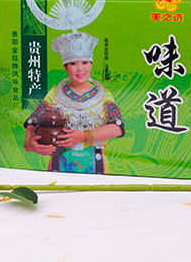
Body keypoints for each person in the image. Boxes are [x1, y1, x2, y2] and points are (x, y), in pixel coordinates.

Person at [23, 32, 124, 174]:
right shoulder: (55, 94)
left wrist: (83, 136)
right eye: (73, 63)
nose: (80, 69)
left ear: (91, 64)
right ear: (66, 67)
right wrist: (29, 143)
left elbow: (117, 128)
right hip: (59, 162)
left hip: (96, 163)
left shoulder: (104, 95)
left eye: (85, 62)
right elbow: (33, 122)